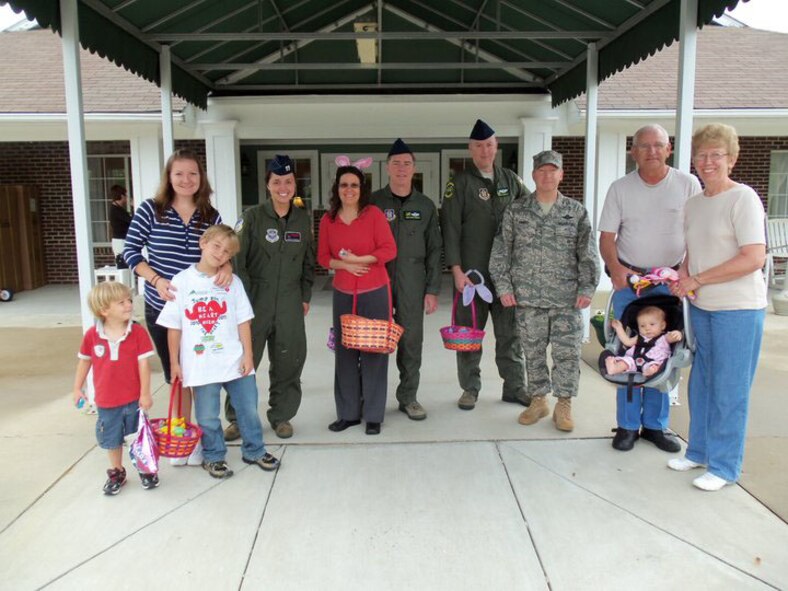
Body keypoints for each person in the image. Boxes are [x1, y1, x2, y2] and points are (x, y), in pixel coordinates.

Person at [668, 123, 767, 492]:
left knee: (730, 388)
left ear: (732, 159)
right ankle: (699, 451)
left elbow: (753, 257)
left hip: (738, 309)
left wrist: (699, 279)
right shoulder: (694, 203)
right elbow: (694, 251)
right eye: (701, 155)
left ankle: (725, 467)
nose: (707, 162)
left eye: (716, 155)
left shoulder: (743, 199)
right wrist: (682, 273)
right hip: (702, 308)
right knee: (702, 382)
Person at [598, 124, 702, 452]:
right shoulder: (620, 188)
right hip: (632, 284)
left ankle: (656, 426)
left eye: (658, 145)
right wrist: (616, 270)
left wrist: (684, 272)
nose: (652, 151)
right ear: (634, 152)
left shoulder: (687, 185)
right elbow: (607, 238)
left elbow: (697, 234)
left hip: (669, 284)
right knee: (627, 352)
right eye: (644, 146)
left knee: (664, 353)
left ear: (669, 149)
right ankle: (627, 426)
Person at [123, 149, 230, 466]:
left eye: (193, 173)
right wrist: (155, 280)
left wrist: (227, 268)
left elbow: (224, 250)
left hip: (201, 313)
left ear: (201, 178)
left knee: (201, 376)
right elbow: (131, 251)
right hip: (164, 309)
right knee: (177, 374)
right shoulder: (151, 211)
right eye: (179, 173)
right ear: (169, 178)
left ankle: (201, 439)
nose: (186, 180)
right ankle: (181, 436)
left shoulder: (210, 215)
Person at [156, 224, 280, 479]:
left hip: (234, 360)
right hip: (200, 364)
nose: (220, 254)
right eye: (216, 246)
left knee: (247, 409)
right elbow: (174, 327)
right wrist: (175, 363)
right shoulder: (181, 282)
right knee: (208, 416)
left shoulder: (232, 282)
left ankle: (254, 450)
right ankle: (213, 456)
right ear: (203, 242)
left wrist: (248, 355)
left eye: (226, 253)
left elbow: (243, 320)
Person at [490, 150, 599, 431]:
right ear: (533, 175)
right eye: (542, 171)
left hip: (566, 298)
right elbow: (501, 251)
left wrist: (588, 286)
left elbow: (587, 253)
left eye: (553, 171)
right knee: (533, 352)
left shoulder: (575, 212)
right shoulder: (516, 211)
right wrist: (504, 287)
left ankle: (564, 405)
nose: (547, 176)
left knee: (567, 354)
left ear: (561, 174)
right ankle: (538, 400)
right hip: (527, 297)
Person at [224, 155, 315, 441]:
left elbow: (308, 262)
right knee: (244, 360)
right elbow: (238, 261)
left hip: (290, 299)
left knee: (289, 359)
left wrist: (305, 294)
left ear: (294, 185)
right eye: (277, 182)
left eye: (288, 182)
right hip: (255, 300)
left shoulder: (302, 218)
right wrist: (244, 302)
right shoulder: (251, 217)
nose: (283, 187)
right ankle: (238, 418)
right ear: (268, 185)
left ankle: (282, 415)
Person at [440, 119, 528, 411]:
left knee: (510, 335)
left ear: (496, 146)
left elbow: (532, 211)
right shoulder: (460, 182)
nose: (484, 150)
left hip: (506, 277)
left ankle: (514, 387)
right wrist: (455, 270)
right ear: (471, 149)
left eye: (489, 144)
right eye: (479, 146)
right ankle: (470, 388)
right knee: (468, 335)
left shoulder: (510, 179)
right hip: (472, 276)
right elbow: (449, 227)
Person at [318, 159, 397, 435]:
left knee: (374, 352)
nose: (348, 189)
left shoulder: (374, 214)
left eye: (354, 185)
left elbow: (389, 250)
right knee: (346, 353)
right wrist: (345, 265)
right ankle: (348, 413)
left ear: (361, 188)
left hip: (375, 292)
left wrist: (361, 259)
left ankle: (374, 414)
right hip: (342, 294)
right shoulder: (328, 220)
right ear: (336, 188)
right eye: (343, 185)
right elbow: (322, 257)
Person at [370, 139, 442, 421]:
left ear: (414, 168)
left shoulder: (425, 205)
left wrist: (433, 289)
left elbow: (436, 249)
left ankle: (408, 397)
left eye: (407, 164)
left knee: (411, 341)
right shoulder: (374, 203)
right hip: (379, 281)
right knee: (376, 341)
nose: (401, 168)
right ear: (387, 168)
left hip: (413, 281)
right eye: (396, 163)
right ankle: (372, 399)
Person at [72, 281, 156, 495]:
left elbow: (144, 365)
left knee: (137, 436)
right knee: (112, 438)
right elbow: (85, 361)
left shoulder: (137, 332)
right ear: (104, 310)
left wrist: (145, 393)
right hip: (107, 401)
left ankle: (146, 469)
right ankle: (117, 471)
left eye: (129, 300)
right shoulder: (92, 335)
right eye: (121, 302)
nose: (129, 304)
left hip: (133, 398)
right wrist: (77, 388)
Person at [606, 306, 682, 377]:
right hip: (634, 360)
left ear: (662, 325)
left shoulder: (664, 338)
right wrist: (619, 328)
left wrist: (677, 334)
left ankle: (650, 372)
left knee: (655, 366)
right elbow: (627, 341)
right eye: (642, 326)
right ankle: (614, 368)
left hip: (653, 361)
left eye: (652, 324)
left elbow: (673, 338)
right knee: (626, 361)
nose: (647, 328)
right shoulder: (639, 337)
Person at [108, 185, 131, 268]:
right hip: (120, 241)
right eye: (126, 195)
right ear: (122, 196)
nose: (127, 198)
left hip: (122, 240)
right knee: (123, 266)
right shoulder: (116, 210)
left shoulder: (118, 209)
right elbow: (131, 221)